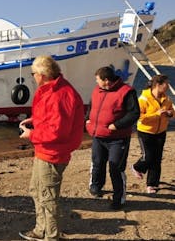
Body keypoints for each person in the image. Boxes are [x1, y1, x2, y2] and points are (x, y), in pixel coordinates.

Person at [18, 55, 84, 241]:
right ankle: (41, 230)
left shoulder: (59, 94)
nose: (33, 77)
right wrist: (35, 121)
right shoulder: (53, 89)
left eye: (34, 73)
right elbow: (53, 119)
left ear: (42, 74)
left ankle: (52, 236)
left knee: (47, 196)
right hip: (45, 150)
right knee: (36, 190)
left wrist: (31, 135)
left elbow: (58, 131)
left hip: (53, 153)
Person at [86, 66, 140, 210]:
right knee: (97, 162)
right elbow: (91, 107)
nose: (95, 82)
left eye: (97, 79)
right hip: (98, 135)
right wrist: (87, 120)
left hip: (118, 138)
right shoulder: (97, 90)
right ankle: (96, 186)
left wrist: (117, 125)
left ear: (106, 81)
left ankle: (119, 198)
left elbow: (134, 113)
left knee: (115, 167)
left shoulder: (127, 92)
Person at [132, 74, 173, 194]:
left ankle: (152, 184)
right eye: (166, 83)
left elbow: (173, 112)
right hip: (146, 131)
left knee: (157, 159)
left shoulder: (167, 99)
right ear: (158, 85)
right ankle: (137, 167)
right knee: (148, 156)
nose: (168, 86)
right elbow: (139, 117)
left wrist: (170, 113)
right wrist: (156, 114)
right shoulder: (143, 99)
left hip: (161, 132)